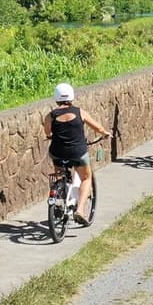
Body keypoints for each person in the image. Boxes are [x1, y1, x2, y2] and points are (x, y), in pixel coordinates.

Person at [44, 83, 113, 223]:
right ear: (71, 97)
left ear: (56, 98)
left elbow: (47, 132)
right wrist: (105, 133)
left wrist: (51, 135)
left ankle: (59, 198)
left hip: (57, 152)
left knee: (59, 174)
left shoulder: (50, 116)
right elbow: (97, 127)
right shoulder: (80, 112)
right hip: (77, 153)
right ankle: (80, 210)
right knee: (86, 178)